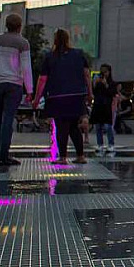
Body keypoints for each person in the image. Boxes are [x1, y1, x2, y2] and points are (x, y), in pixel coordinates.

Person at [0, 13, 33, 167]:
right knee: (8, 118)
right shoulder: (23, 43)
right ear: (20, 27)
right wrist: (29, 89)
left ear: (6, 25)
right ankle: (4, 155)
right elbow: (26, 67)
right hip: (14, 84)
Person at [33, 28, 91, 165]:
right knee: (74, 126)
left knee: (61, 126)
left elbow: (43, 79)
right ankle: (80, 156)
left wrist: (37, 99)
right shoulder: (79, 54)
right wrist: (89, 92)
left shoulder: (50, 57)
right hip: (76, 95)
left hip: (57, 96)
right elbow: (87, 74)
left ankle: (63, 157)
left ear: (55, 40)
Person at [91, 64, 119, 155]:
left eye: (105, 71)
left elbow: (112, 93)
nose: (104, 73)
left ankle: (111, 144)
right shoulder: (98, 82)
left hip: (106, 106)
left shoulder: (112, 83)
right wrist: (94, 84)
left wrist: (106, 84)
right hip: (98, 105)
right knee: (98, 126)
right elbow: (94, 93)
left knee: (108, 126)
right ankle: (100, 144)